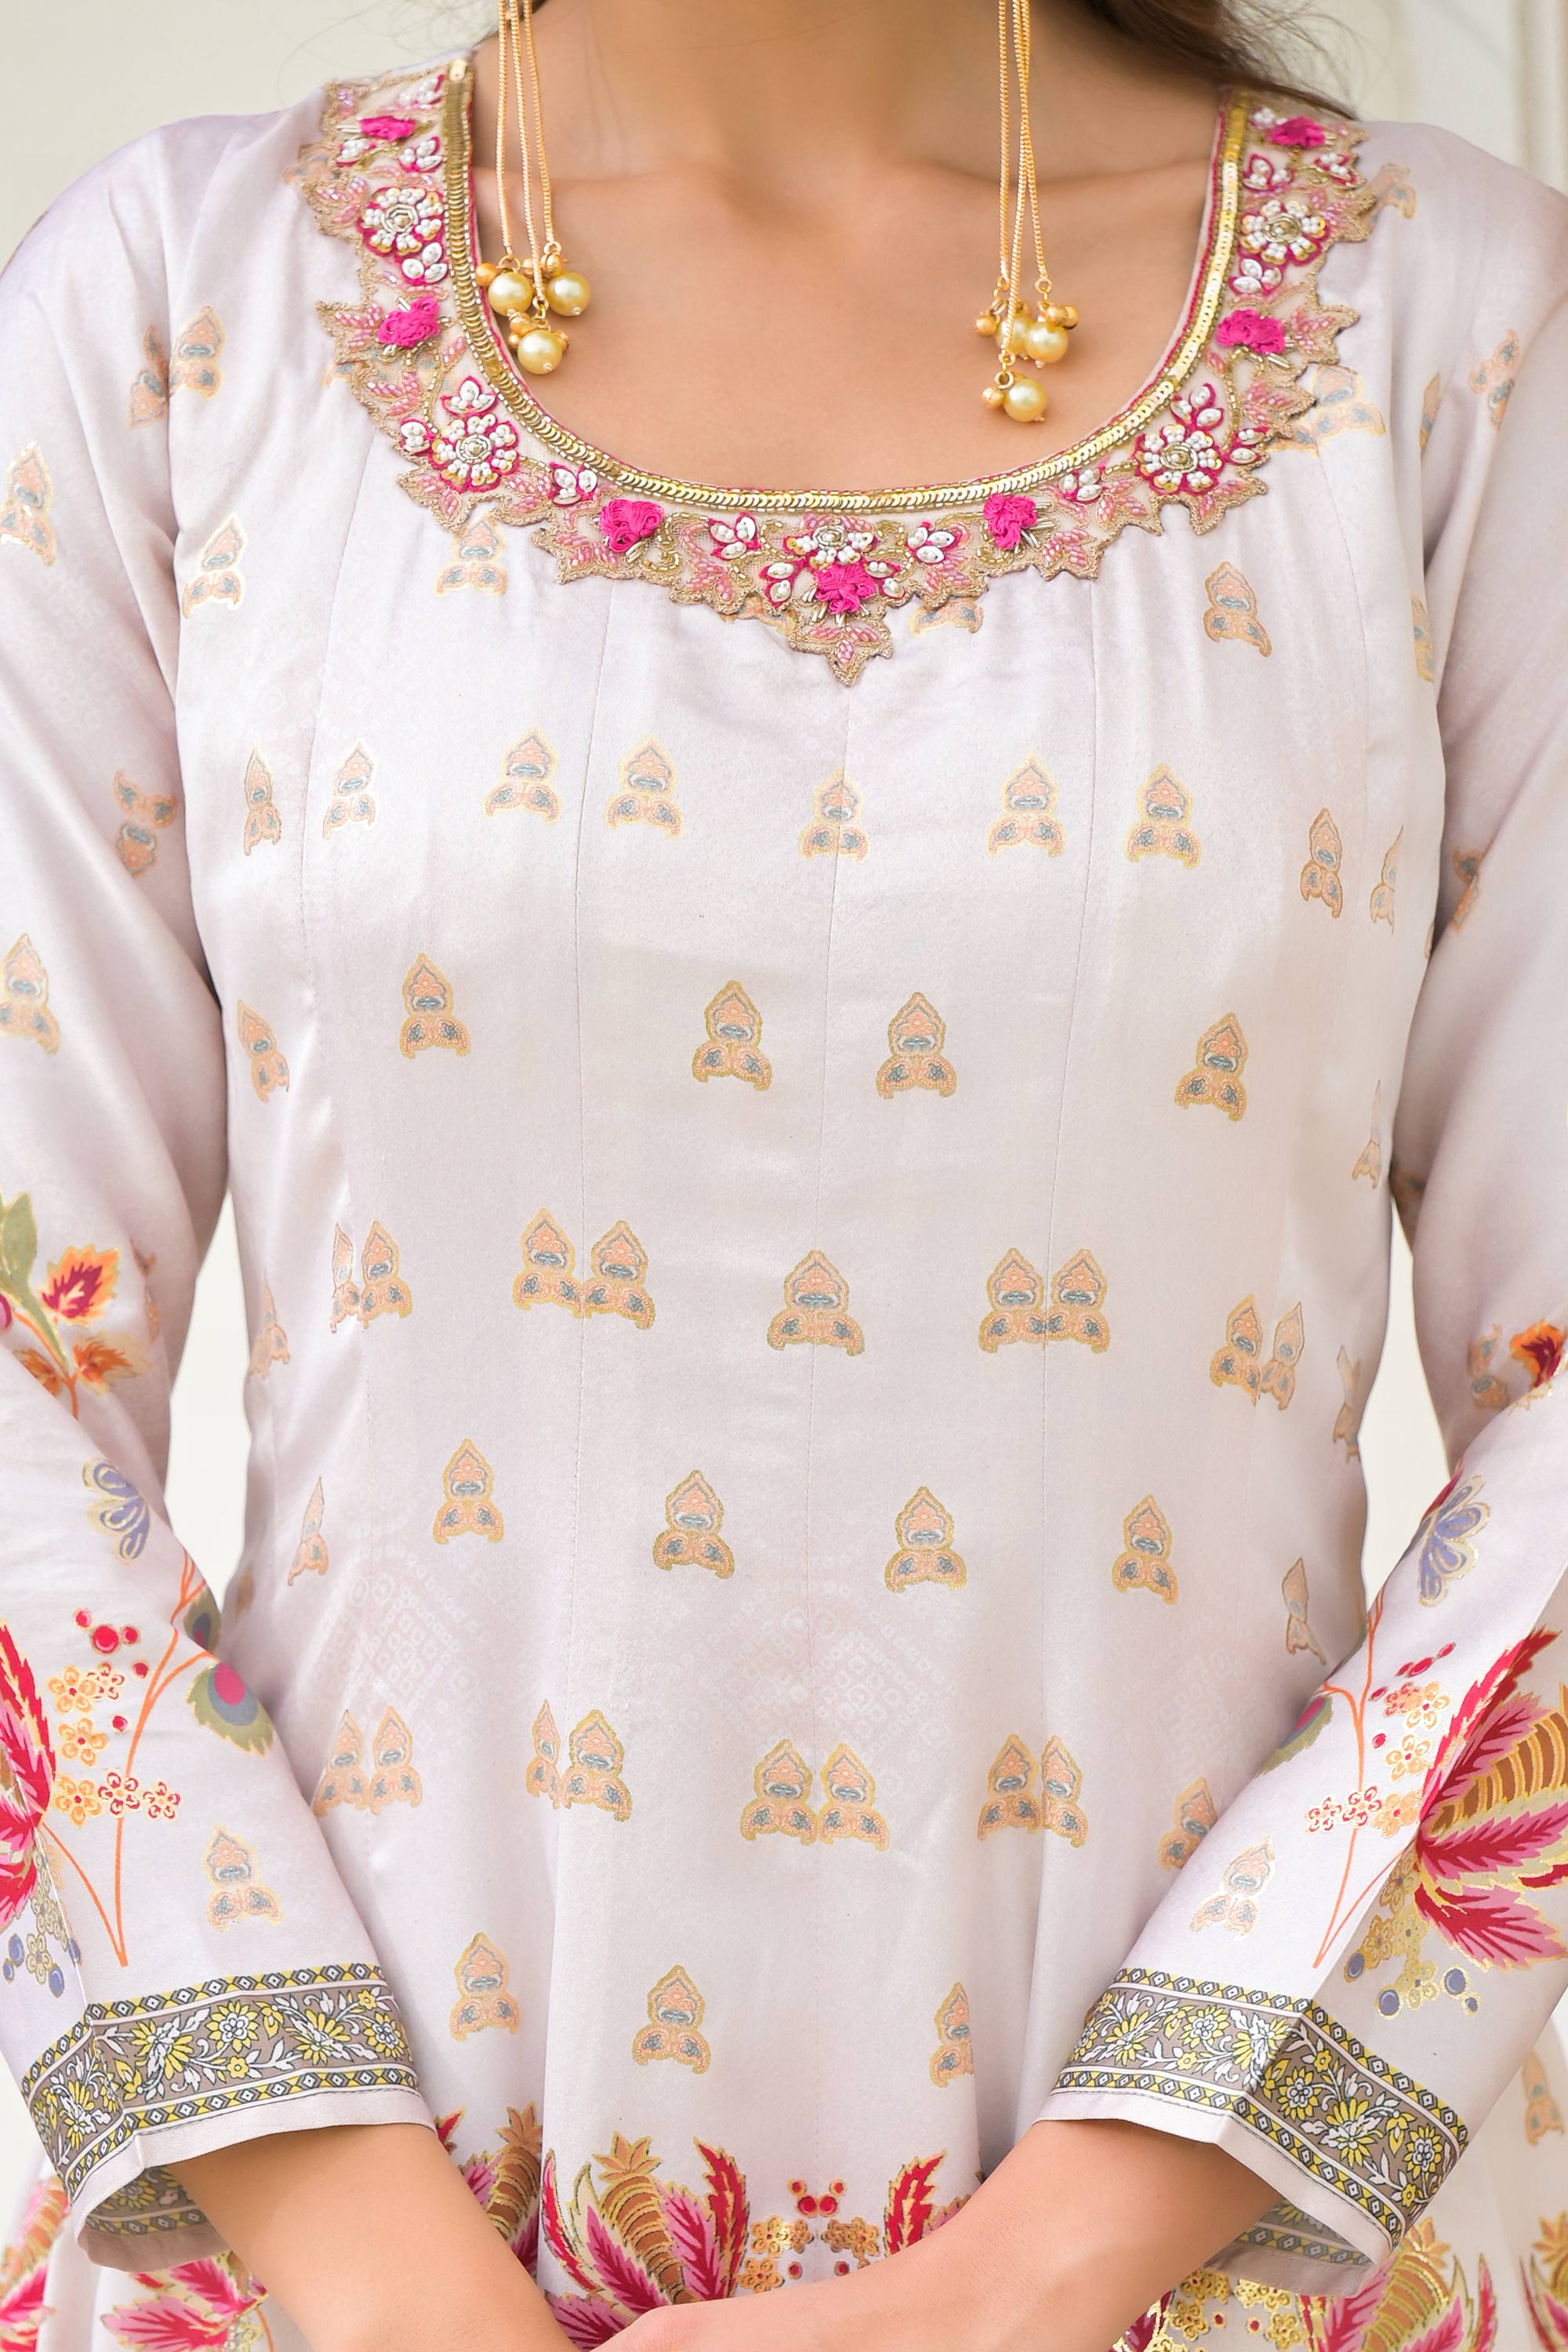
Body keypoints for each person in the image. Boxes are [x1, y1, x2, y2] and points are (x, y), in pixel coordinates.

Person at [2, 0, 1566, 2345]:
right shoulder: (176, 311)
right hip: (324, 2269)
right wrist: (382, 2277)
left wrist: (1037, 2274)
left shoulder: (1453, 332)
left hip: (1222, 2269)